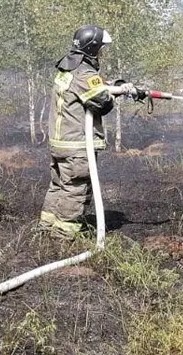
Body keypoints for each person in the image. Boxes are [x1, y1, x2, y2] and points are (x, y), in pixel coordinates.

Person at [38, 25, 138, 239]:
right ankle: (64, 234)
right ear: (92, 48)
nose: (102, 52)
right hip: (77, 145)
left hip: (60, 142)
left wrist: (117, 86)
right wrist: (119, 92)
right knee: (76, 189)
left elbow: (90, 87)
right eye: (101, 48)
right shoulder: (85, 73)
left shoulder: (68, 69)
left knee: (59, 185)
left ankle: (47, 225)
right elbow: (102, 103)